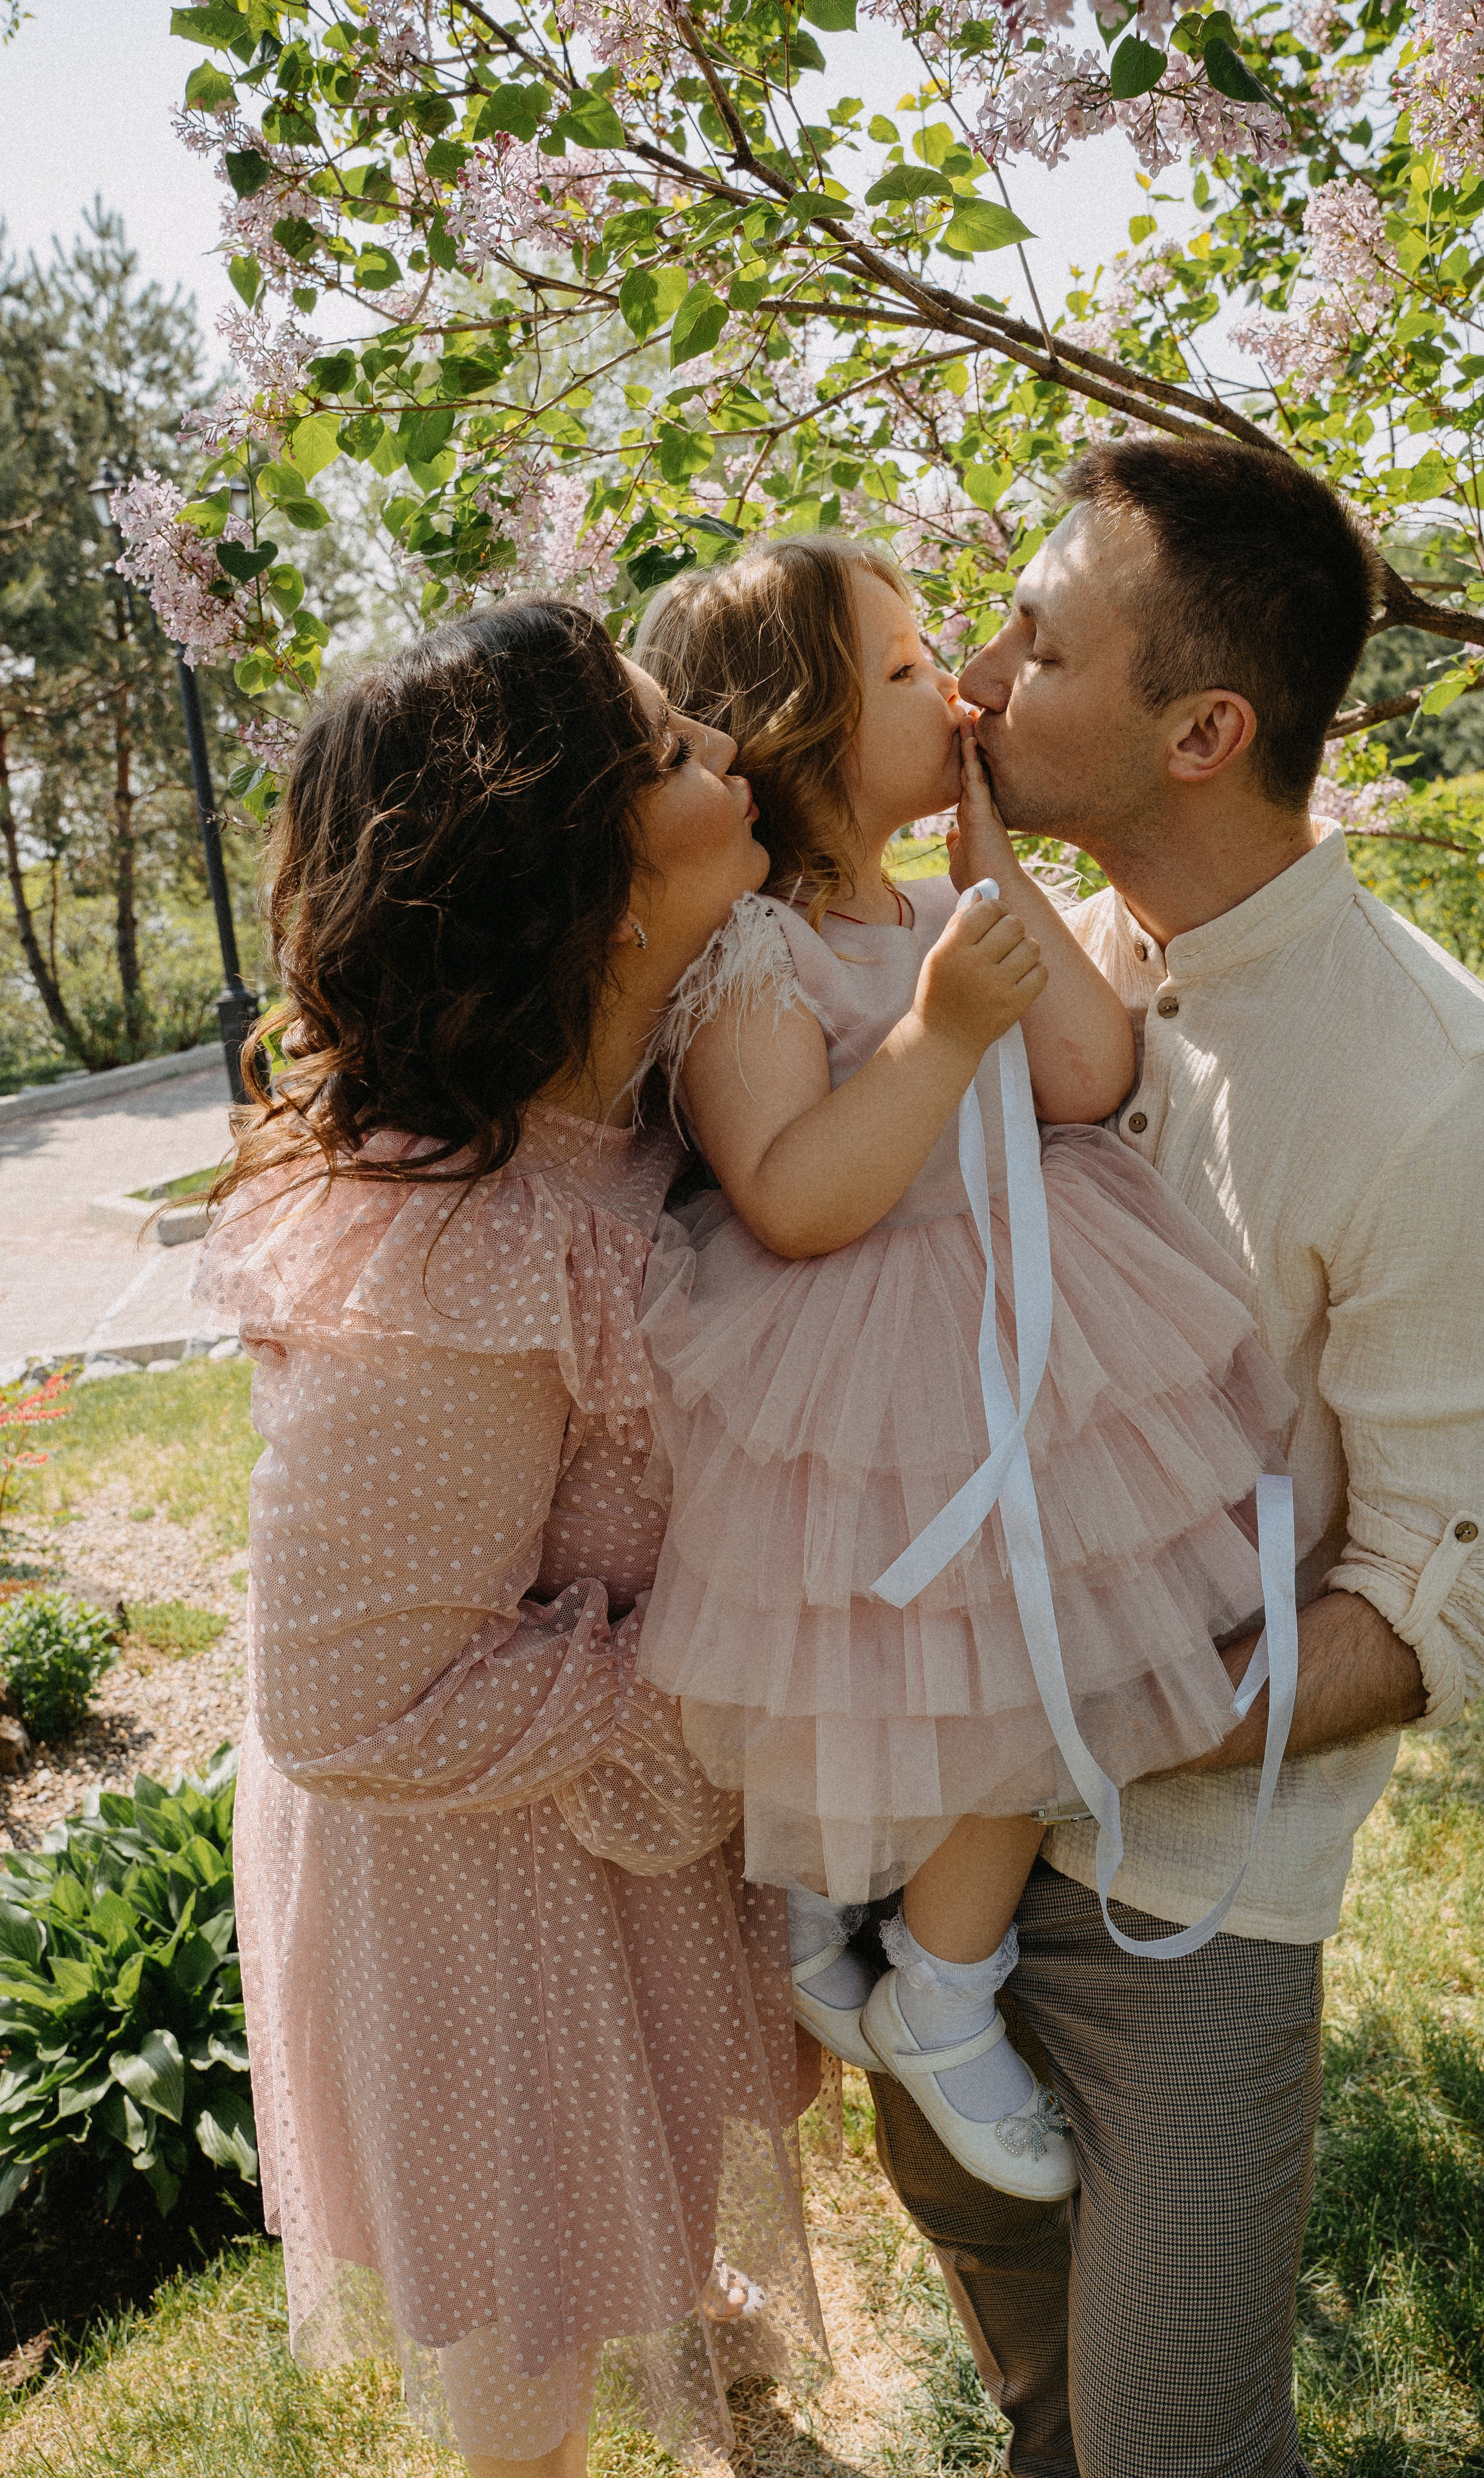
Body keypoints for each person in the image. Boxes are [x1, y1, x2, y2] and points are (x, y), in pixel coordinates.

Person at [864, 438, 1484, 2478]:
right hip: (923, 1886)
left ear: (1203, 729)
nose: (983, 683)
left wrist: (1066, 1725)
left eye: (1041, 645)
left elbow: (1441, 1605)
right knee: (1046, 2411)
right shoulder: (1041, 967)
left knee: (1178, 2446)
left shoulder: (1433, 1098)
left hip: (1187, 1903)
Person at [192, 598, 827, 2478]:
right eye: (674, 752)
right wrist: (723, 1674)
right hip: (474, 1891)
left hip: (575, 1835)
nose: (724, 750)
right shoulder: (453, 1257)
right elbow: (346, 1702)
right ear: (598, 891)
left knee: (658, 2240)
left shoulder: (630, 1113)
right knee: (532, 2372)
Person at [628, 537, 1295, 2204]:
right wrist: (933, 1031)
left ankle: (920, 1961)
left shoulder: (945, 906)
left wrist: (995, 882)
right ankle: (928, 1966)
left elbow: (1086, 1067)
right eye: (914, 673)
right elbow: (787, 1194)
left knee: (1042, 1657)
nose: (963, 687)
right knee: (976, 1676)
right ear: (801, 735)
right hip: (854, 1376)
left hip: (1020, 1332)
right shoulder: (753, 957)